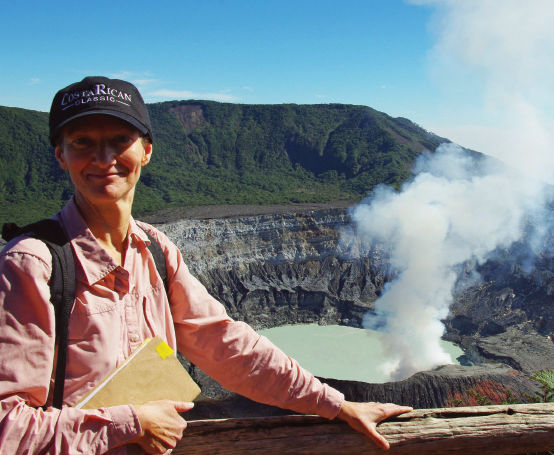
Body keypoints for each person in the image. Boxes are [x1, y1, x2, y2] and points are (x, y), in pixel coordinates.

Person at [0, 76, 412, 454]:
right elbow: (7, 428)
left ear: (145, 151)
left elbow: (227, 345)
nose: (103, 157)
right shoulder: (31, 266)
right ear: (60, 155)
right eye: (82, 142)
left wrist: (336, 405)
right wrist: (132, 422)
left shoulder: (155, 250)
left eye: (120, 139)